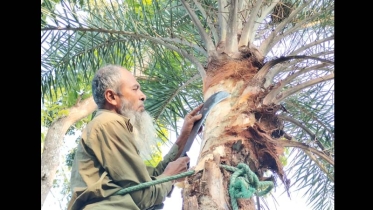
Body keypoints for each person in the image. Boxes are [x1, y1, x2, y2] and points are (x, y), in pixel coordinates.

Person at [67, 64, 203, 210]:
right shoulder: (109, 123)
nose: (143, 95)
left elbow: (151, 178)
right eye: (135, 89)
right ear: (111, 97)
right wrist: (170, 177)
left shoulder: (107, 125)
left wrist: (184, 136)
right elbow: (143, 195)